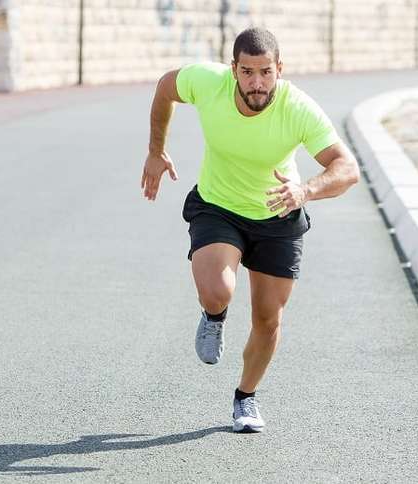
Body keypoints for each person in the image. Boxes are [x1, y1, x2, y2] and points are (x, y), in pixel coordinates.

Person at [140, 28, 360, 433]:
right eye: (247, 72)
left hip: (279, 215)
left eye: (265, 72)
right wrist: (156, 150)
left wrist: (306, 189)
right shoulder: (208, 83)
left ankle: (245, 397)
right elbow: (164, 88)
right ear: (233, 70)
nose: (256, 83)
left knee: (268, 319)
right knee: (218, 289)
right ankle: (214, 314)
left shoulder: (298, 108)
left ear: (280, 69)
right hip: (218, 206)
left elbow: (348, 169)